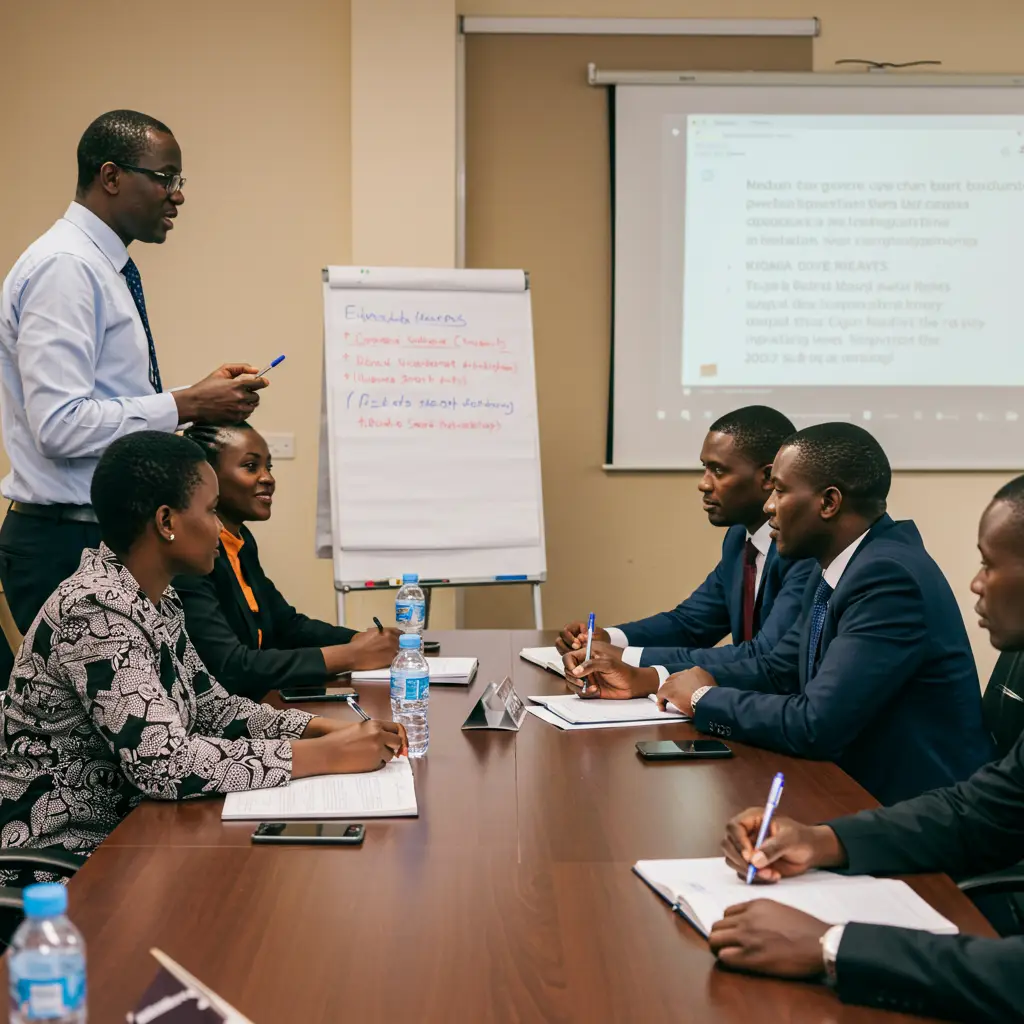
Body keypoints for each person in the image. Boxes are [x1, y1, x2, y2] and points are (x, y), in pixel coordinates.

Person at [0, 432, 405, 885]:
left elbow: (214, 708)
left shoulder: (156, 597)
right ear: (166, 521)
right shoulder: (95, 610)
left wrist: (323, 728)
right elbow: (162, 763)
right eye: (211, 510)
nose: (220, 527)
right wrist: (322, 755)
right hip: (71, 861)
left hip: (139, 834)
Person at [709, 475, 1024, 1023]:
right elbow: (982, 810)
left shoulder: (887, 571)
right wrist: (820, 842)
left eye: (990, 564)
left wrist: (832, 946)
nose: (976, 582)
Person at [568, 422, 993, 805]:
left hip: (911, 813)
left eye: (781, 491)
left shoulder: (886, 577)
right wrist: (657, 679)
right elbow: (778, 669)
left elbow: (816, 724)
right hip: (849, 788)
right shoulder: (839, 562)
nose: (768, 506)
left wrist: (703, 698)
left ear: (829, 502)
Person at [0, 109, 270, 655]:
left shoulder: (103, 267)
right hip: (65, 540)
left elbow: (102, 401)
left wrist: (194, 402)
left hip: (99, 536)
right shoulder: (66, 268)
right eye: (166, 177)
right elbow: (59, 425)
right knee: (103, 735)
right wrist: (184, 402)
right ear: (111, 176)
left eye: (179, 181)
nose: (178, 196)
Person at [557, 406, 815, 680]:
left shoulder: (803, 549)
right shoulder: (740, 538)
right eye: (705, 468)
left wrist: (628, 659)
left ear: (767, 477)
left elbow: (763, 654)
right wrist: (608, 638)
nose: (704, 484)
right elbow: (692, 623)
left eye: (718, 470)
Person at [173, 422, 399, 699]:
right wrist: (350, 655)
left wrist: (359, 640)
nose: (267, 478)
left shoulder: (241, 541)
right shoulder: (189, 558)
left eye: (269, 467)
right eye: (250, 466)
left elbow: (286, 625)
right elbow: (230, 666)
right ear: (208, 476)